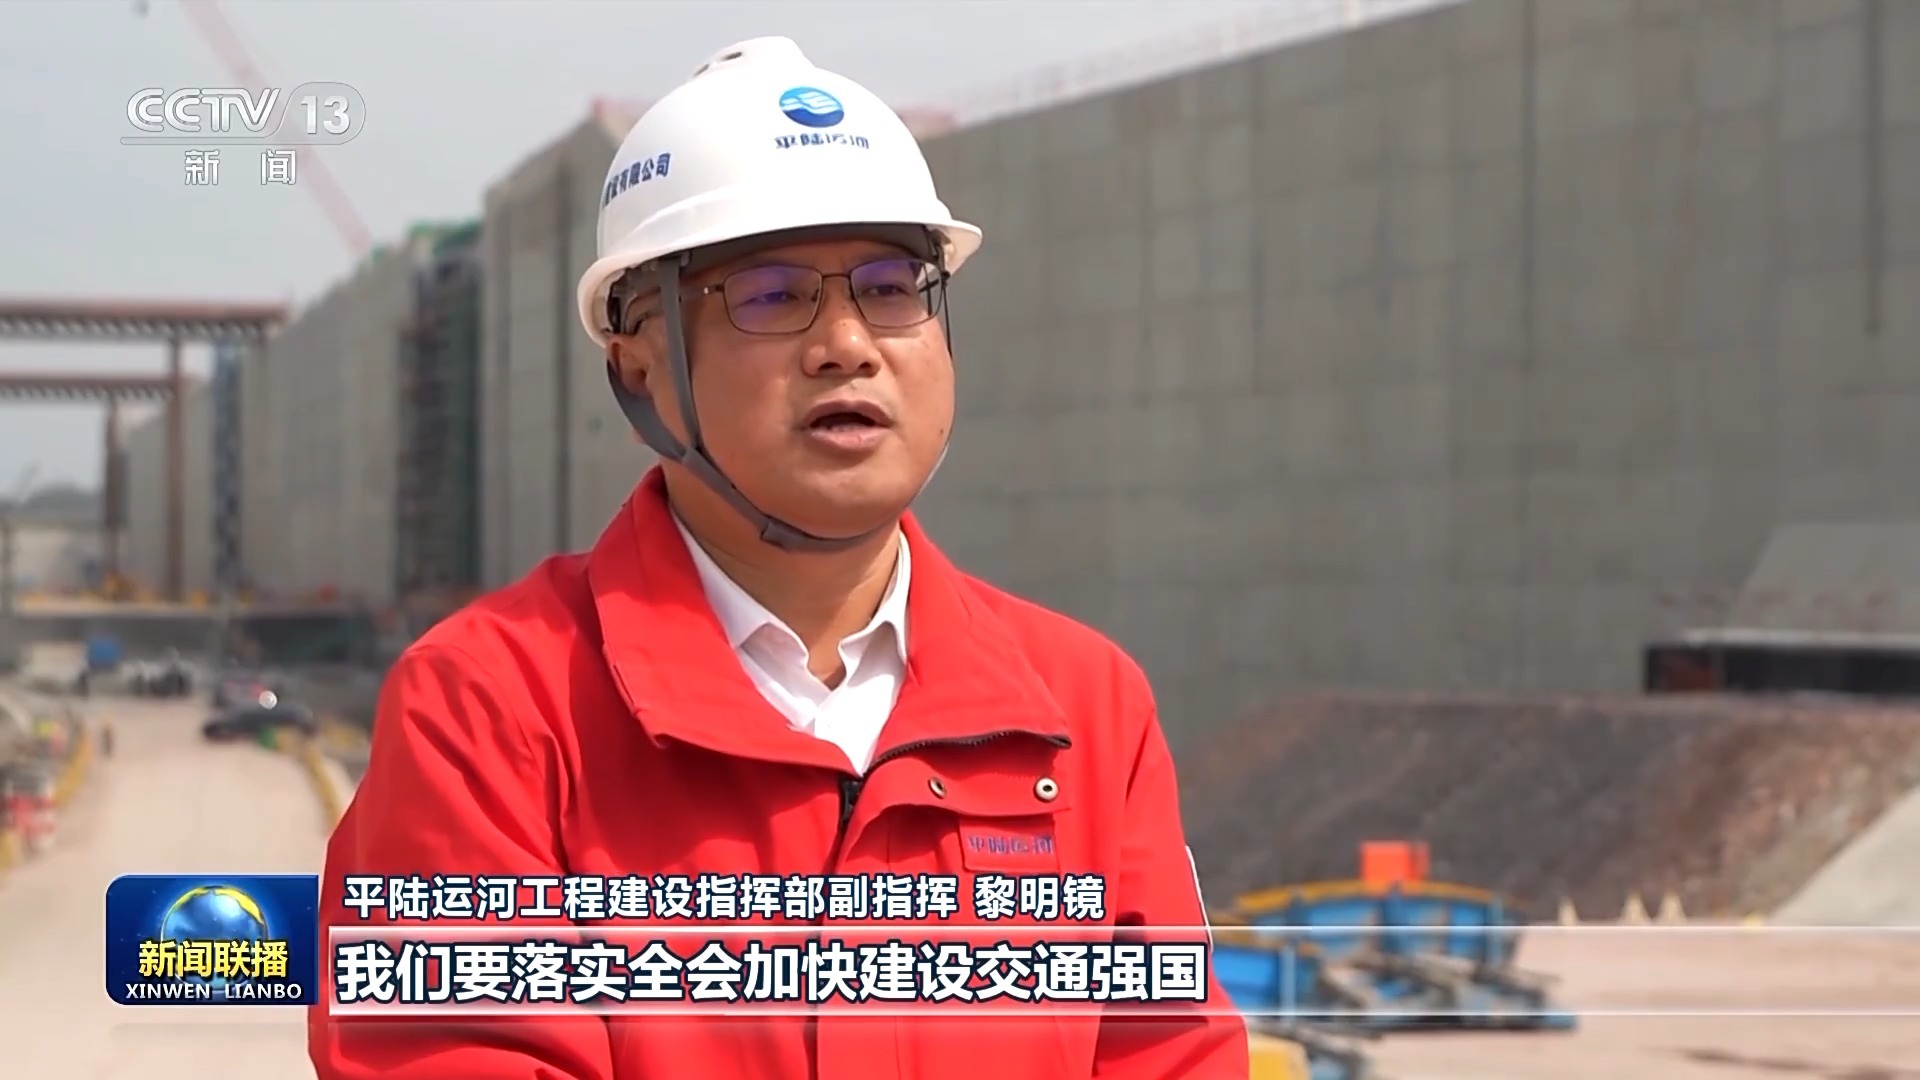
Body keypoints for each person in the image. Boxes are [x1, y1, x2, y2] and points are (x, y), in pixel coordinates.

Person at [309, 36, 1247, 1080]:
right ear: (639, 366)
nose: (847, 343)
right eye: (769, 294)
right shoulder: (495, 709)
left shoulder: (1083, 710)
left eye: (891, 288)